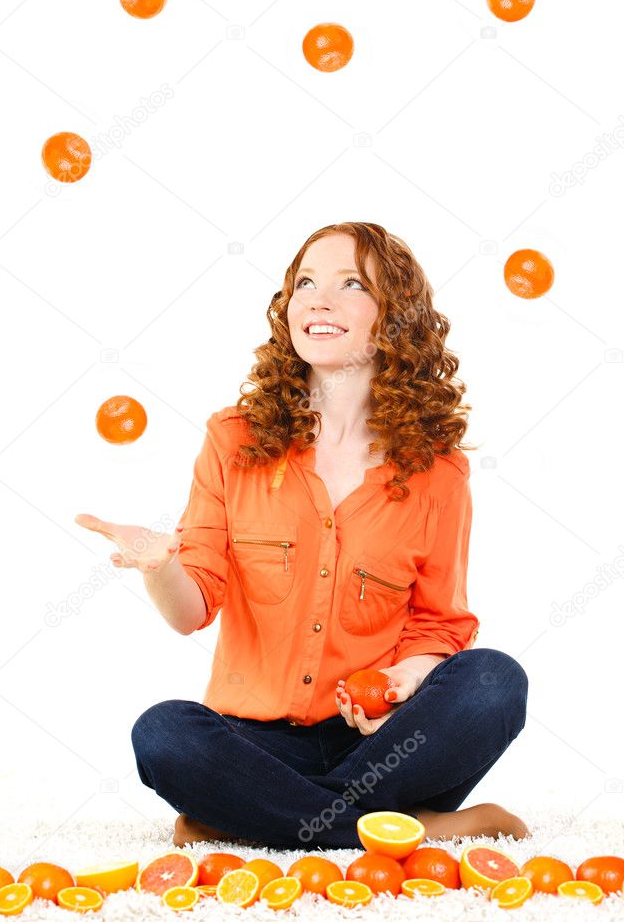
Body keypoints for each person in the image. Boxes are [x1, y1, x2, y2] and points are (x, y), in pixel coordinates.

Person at [76, 221, 530, 851]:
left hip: (382, 747)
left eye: (351, 285)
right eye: (306, 283)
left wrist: (405, 681)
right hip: (253, 750)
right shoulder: (233, 439)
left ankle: (257, 824)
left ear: (395, 318)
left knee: (494, 682)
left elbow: (438, 624)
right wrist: (160, 566)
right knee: (163, 734)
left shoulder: (438, 471)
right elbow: (191, 611)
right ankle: (415, 828)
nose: (319, 299)